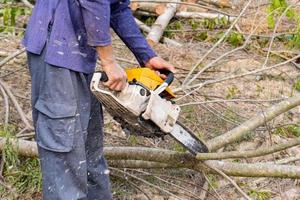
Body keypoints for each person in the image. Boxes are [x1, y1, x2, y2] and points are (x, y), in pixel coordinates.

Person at [23, 0, 175, 199]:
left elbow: (117, 6)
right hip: (56, 47)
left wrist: (146, 55)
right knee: (65, 148)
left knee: (89, 148)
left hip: (82, 50)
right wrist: (108, 61)